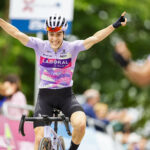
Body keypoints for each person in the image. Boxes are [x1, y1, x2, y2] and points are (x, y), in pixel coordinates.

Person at [0, 12, 127, 150]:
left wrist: (114, 26)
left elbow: (95, 38)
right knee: (39, 136)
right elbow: (16, 33)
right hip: (45, 97)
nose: (54, 39)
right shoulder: (39, 45)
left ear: (63, 33)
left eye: (58, 34)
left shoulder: (72, 47)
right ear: (47, 33)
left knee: (80, 124)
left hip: (66, 96)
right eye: (51, 35)